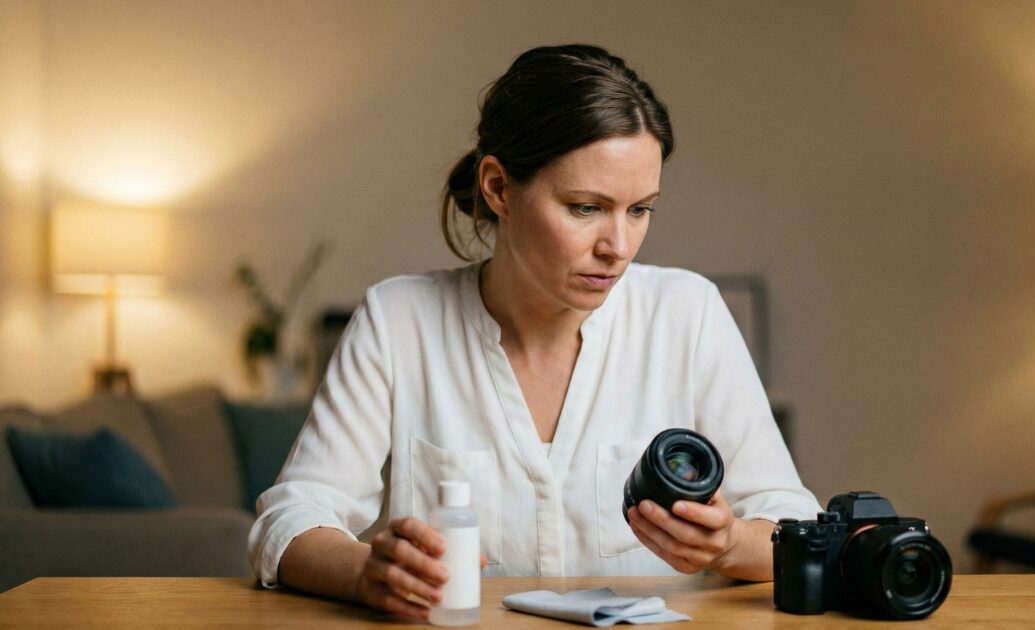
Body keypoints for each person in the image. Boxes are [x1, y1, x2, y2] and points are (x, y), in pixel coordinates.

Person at [248, 43, 821, 621]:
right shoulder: (398, 320)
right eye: (584, 207)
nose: (617, 247)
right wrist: (365, 572)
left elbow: (793, 524)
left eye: (640, 210)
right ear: (498, 187)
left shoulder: (688, 312)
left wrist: (727, 545)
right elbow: (292, 517)